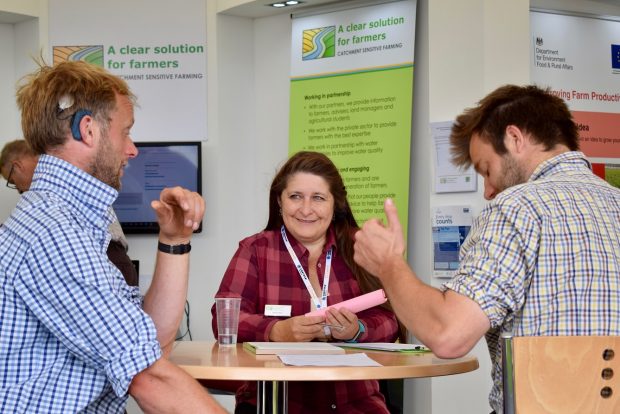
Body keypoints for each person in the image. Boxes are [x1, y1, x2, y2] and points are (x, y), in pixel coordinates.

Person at [353, 84, 620, 414]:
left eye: (487, 170)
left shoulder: (518, 207)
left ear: (515, 138)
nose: (489, 191)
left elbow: (449, 335)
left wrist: (388, 263)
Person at [0, 61, 224, 413]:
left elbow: (150, 342)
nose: (132, 149)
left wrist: (174, 239)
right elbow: (149, 377)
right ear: (88, 130)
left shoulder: (80, 217)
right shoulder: (56, 233)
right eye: (126, 132)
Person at [212, 151, 400, 413]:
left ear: (336, 205)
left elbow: (392, 321)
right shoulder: (255, 250)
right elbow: (224, 321)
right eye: (295, 196)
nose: (306, 209)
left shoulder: (361, 247)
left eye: (319, 198)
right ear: (280, 201)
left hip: (355, 403)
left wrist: (357, 330)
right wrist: (276, 332)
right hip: (276, 403)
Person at [1, 139, 138, 287]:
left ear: (17, 166)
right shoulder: (64, 171)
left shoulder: (55, 181)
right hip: (107, 258)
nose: (19, 189)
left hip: (108, 258)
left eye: (13, 181)